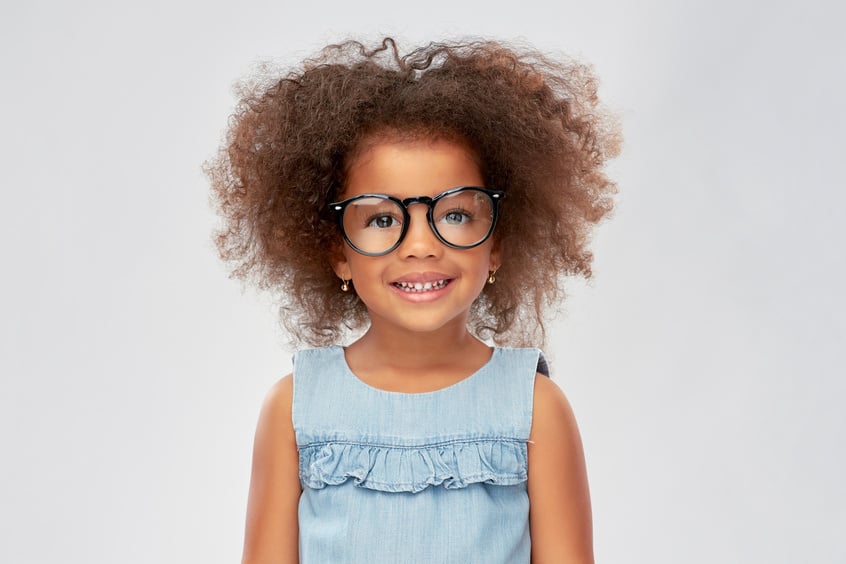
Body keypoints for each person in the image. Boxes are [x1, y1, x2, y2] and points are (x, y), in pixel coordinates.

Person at [207, 37, 619, 564]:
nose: (421, 245)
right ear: (336, 250)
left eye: (454, 214)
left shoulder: (537, 409)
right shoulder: (294, 408)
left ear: (496, 244)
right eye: (382, 219)